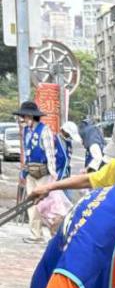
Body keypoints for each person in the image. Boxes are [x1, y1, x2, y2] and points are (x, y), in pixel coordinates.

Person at [14, 100, 57, 244]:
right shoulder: (26, 131)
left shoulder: (44, 130)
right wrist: (23, 172)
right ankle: (35, 234)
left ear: (31, 117)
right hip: (31, 172)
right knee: (31, 204)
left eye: (25, 117)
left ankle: (53, 232)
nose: (24, 120)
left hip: (43, 172)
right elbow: (26, 152)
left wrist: (53, 174)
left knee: (44, 204)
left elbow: (50, 152)